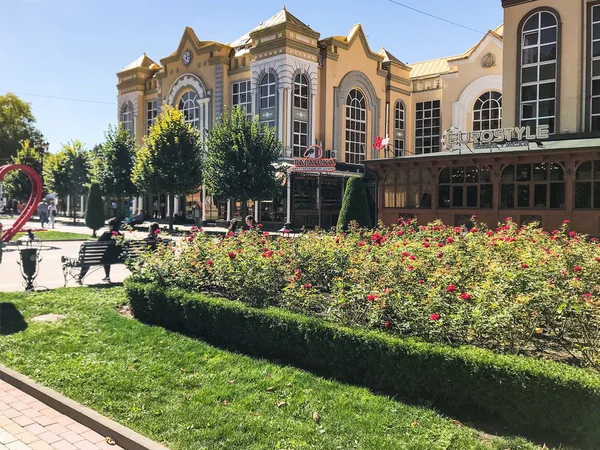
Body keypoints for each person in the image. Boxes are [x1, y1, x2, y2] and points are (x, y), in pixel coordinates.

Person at [77, 218, 122, 285]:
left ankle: (80, 278)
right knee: (108, 257)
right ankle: (107, 276)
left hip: (105, 258)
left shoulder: (106, 234)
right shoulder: (120, 235)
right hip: (117, 258)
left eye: (109, 225)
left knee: (88, 259)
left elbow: (97, 244)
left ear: (112, 226)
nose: (108, 227)